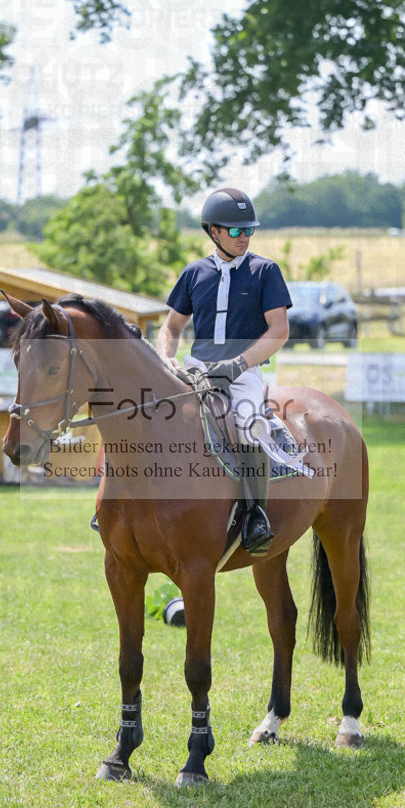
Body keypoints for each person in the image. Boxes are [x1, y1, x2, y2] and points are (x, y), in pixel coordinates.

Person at [157, 187, 292, 555]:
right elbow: (171, 327)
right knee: (146, 411)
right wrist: (166, 358)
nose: (244, 236)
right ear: (213, 231)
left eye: (249, 229)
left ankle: (255, 516)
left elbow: (279, 330)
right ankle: (117, 500)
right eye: (235, 230)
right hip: (196, 371)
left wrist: (238, 364)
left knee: (249, 424)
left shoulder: (265, 271)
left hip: (243, 375)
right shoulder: (194, 272)